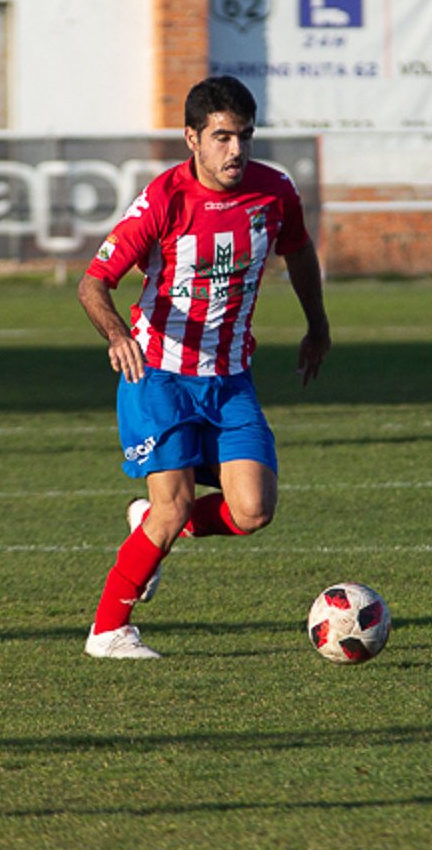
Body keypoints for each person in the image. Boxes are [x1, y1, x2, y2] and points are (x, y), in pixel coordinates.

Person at [77, 74, 331, 660]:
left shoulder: (274, 192)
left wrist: (317, 325)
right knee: (173, 508)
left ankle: (152, 526)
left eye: (244, 136)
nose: (236, 151)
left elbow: (299, 252)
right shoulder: (163, 200)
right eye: (222, 137)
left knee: (254, 510)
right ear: (191, 138)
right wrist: (117, 334)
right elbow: (94, 283)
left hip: (230, 377)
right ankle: (108, 631)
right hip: (158, 373)